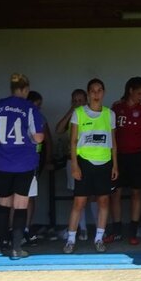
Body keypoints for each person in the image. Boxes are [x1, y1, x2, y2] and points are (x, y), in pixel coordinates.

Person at [0, 74, 46, 260]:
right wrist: (31, 138)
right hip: (25, 162)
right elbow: (39, 137)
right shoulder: (30, 108)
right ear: (25, 89)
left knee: (3, 204)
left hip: (3, 162)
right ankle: (16, 249)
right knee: (21, 205)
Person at [64, 78, 118, 253]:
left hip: (105, 163)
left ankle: (99, 238)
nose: (96, 94)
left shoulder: (109, 114)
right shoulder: (78, 112)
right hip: (84, 162)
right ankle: (71, 240)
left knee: (103, 201)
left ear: (104, 92)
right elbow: (73, 141)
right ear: (88, 93)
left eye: (99, 90)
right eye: (93, 91)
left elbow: (113, 142)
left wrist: (115, 165)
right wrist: (75, 165)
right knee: (79, 202)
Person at [109, 76, 141, 245]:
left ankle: (133, 231)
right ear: (130, 90)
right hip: (119, 156)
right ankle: (116, 230)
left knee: (137, 192)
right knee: (115, 193)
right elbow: (111, 133)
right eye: (139, 93)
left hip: (139, 156)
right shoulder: (116, 108)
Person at [55, 88, 89, 240]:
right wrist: (71, 111)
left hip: (90, 159)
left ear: (86, 100)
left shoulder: (91, 114)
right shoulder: (73, 116)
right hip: (73, 161)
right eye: (74, 101)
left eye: (80, 100)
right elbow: (58, 129)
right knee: (78, 196)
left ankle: (99, 230)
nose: (78, 103)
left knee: (93, 196)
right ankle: (82, 229)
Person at [25, 90, 54, 243]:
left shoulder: (40, 118)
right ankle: (12, 229)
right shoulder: (18, 116)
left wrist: (47, 160)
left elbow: (48, 141)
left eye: (39, 106)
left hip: (34, 161)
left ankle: (26, 228)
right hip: (16, 161)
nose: (38, 108)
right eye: (36, 105)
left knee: (29, 195)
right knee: (14, 197)